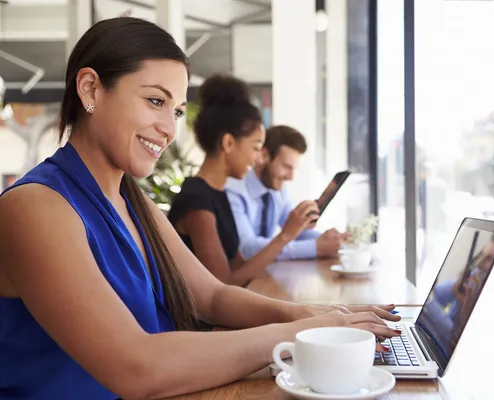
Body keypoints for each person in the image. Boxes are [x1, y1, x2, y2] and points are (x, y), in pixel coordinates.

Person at [0, 18, 401, 399]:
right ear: (90, 89)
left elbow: (211, 297)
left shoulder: (135, 205)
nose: (170, 128)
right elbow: (135, 366)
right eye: (155, 100)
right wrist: (302, 333)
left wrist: (318, 315)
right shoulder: (35, 206)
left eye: (175, 110)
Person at [168, 75, 319, 287]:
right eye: (256, 148)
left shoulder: (218, 194)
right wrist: (285, 236)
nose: (258, 158)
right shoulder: (197, 202)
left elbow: (240, 266)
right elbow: (223, 285)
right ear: (229, 143)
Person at [226, 125, 344, 261]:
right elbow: (248, 249)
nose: (290, 177)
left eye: (293, 169)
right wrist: (315, 247)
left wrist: (331, 240)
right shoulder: (234, 191)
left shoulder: (278, 190)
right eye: (286, 167)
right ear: (264, 156)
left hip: (265, 274)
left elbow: (296, 233)